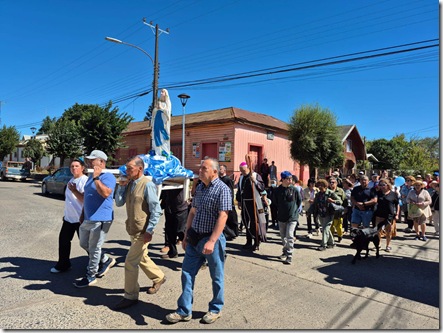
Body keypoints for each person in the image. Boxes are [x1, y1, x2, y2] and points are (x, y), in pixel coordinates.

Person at [166, 157, 231, 325]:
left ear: (214, 172)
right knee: (186, 273)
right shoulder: (200, 187)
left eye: (204, 168)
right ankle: (184, 310)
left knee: (217, 276)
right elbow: (193, 212)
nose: (200, 170)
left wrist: (212, 240)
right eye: (200, 168)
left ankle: (215, 309)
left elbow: (223, 216)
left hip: (211, 240)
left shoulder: (223, 189)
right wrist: (186, 235)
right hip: (194, 238)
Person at [113, 156, 166, 310]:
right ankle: (159, 277)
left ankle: (130, 296)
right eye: (126, 168)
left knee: (130, 262)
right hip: (132, 228)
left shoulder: (147, 185)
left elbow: (156, 210)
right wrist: (121, 187)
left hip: (142, 231)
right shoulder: (129, 183)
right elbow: (119, 202)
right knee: (141, 257)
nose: (127, 171)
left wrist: (150, 230)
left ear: (140, 169)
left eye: (130, 168)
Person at [74, 150, 116, 288]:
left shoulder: (107, 176)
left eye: (93, 159)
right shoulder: (92, 176)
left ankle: (90, 276)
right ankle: (106, 259)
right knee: (83, 243)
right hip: (88, 217)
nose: (90, 162)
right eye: (90, 159)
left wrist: (97, 178)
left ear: (102, 162)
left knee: (94, 248)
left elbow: (105, 193)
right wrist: (82, 214)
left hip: (101, 219)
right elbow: (87, 197)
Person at [50, 158, 88, 273]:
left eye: (76, 166)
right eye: (72, 166)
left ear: (82, 168)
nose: (74, 168)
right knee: (63, 241)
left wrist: (75, 191)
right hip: (69, 219)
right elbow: (69, 201)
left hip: (81, 219)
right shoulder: (71, 180)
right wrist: (66, 215)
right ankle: (63, 264)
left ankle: (100, 263)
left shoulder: (85, 181)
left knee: (86, 244)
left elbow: (86, 200)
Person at [236, 162, 266, 250]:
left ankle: (256, 242)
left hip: (254, 203)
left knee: (254, 223)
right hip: (245, 203)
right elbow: (239, 190)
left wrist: (255, 181)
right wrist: (239, 201)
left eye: (243, 170)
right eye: (241, 170)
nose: (242, 172)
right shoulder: (241, 177)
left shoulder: (255, 175)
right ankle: (248, 241)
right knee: (246, 222)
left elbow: (262, 187)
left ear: (248, 168)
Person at [274, 171, 301, 264]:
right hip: (281, 217)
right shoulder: (277, 190)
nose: (290, 181)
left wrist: (294, 211)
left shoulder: (295, 190)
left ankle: (289, 255)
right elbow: (275, 203)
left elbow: (299, 201)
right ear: (283, 180)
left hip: (292, 217)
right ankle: (285, 251)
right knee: (283, 237)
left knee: (289, 235)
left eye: (291, 179)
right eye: (288, 179)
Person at [312, 179, 342, 251]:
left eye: (321, 185)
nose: (320, 187)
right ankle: (331, 243)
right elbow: (314, 204)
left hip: (329, 214)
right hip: (321, 214)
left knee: (325, 229)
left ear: (325, 186)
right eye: (319, 185)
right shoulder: (318, 194)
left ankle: (323, 245)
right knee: (326, 229)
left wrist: (333, 201)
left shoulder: (330, 193)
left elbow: (340, 201)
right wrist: (310, 212)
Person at [160, 187, 189, 258]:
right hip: (169, 206)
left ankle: (192, 253)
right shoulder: (166, 176)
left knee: (180, 231)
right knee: (169, 230)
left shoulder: (180, 176)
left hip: (180, 207)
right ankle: (172, 252)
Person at [373, 178, 399, 252]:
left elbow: (397, 204)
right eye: (380, 185)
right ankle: (378, 244)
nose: (382, 186)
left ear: (387, 185)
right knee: (378, 230)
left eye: (383, 185)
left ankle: (388, 245)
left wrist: (397, 214)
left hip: (389, 215)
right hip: (379, 214)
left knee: (389, 231)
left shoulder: (393, 194)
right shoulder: (378, 193)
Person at [219, 164, 239, 239]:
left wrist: (230, 201)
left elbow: (230, 191)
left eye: (220, 169)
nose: (219, 170)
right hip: (220, 202)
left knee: (231, 219)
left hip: (228, 202)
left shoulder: (228, 179)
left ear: (224, 170)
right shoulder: (218, 179)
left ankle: (233, 233)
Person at [152, 88, 172, 157]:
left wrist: (162, 108)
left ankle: (164, 151)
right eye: (160, 92)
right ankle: (157, 151)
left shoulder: (167, 103)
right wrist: (156, 108)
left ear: (166, 94)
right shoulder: (159, 102)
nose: (161, 93)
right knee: (156, 134)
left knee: (162, 134)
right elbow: (154, 114)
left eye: (162, 92)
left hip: (162, 120)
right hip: (157, 119)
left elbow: (168, 111)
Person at [328, 176, 346, 243]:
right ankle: (331, 238)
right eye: (330, 182)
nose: (332, 183)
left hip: (339, 211)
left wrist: (345, 209)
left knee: (339, 226)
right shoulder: (327, 191)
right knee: (331, 226)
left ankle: (340, 236)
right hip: (330, 211)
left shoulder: (340, 191)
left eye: (333, 182)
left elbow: (344, 200)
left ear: (336, 183)